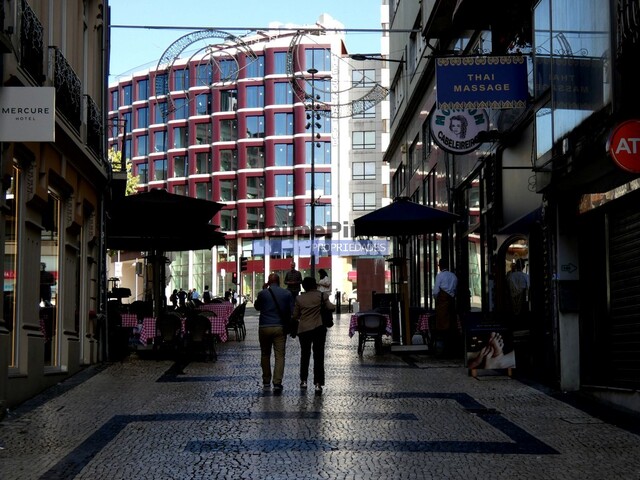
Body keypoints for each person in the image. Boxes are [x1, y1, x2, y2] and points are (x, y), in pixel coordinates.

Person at [293, 277, 335, 395]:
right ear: (315, 285)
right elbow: (331, 307)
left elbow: (295, 315)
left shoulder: (299, 298)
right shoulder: (322, 296)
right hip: (318, 328)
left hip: (304, 329)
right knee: (319, 356)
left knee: (305, 355)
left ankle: (303, 380)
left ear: (304, 287)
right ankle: (318, 383)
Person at [254, 273, 294, 392]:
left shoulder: (263, 294)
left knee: (265, 354)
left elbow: (257, 307)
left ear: (268, 281)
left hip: (264, 326)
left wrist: (263, 290)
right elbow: (291, 310)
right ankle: (277, 382)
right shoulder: (287, 293)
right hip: (280, 327)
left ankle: (266, 380)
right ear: (279, 281)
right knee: (280, 355)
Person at [433, 258, 458, 356]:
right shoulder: (453, 276)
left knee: (441, 325)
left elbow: (436, 291)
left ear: (440, 266)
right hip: (451, 302)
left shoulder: (440, 276)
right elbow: (455, 290)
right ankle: (451, 349)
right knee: (451, 324)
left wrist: (437, 299)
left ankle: (442, 350)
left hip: (442, 303)